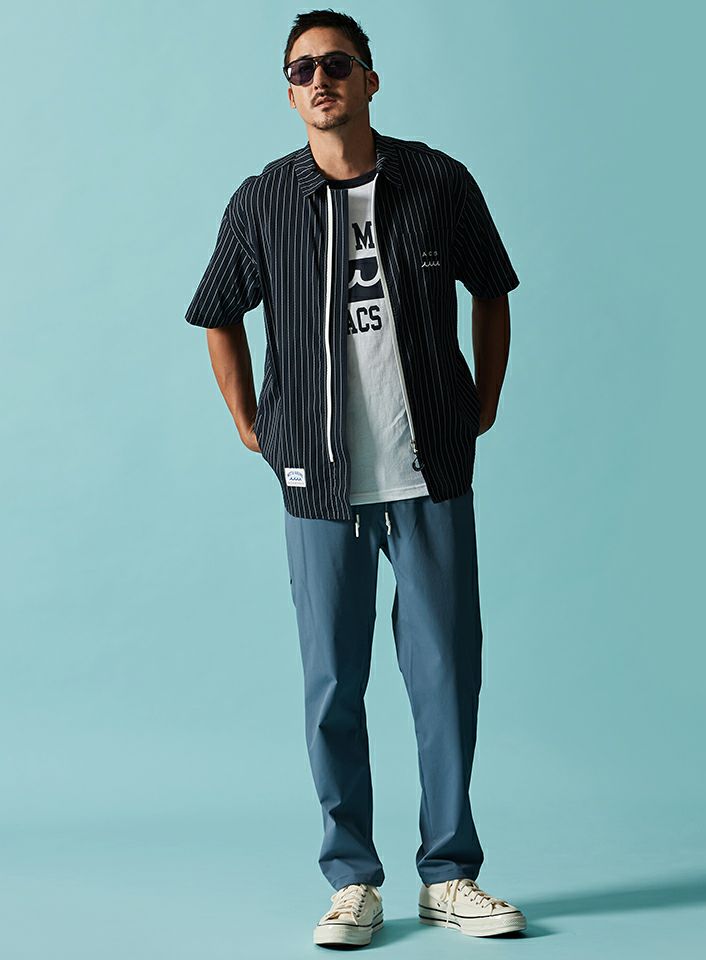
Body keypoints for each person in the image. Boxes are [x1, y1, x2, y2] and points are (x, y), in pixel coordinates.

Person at [185, 8, 526, 948]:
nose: (319, 81)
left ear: (370, 79)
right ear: (290, 92)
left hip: (430, 471)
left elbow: (492, 290)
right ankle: (352, 880)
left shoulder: (438, 182)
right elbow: (216, 311)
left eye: (336, 64)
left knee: (446, 676)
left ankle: (450, 875)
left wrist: (483, 399)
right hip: (318, 482)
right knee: (332, 683)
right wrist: (248, 420)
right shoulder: (264, 200)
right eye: (301, 70)